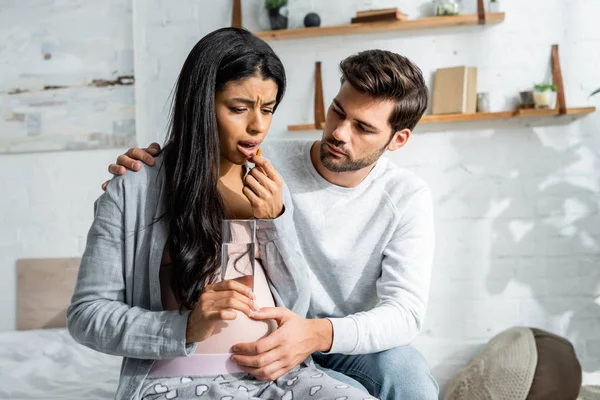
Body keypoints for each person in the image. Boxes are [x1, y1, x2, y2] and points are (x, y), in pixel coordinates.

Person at [105, 49, 438, 399]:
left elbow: (404, 313)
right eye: (338, 111)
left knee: (408, 374)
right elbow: (191, 167)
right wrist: (141, 173)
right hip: (267, 338)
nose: (339, 132)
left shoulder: (406, 196)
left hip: (343, 338)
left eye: (363, 128)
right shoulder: (258, 160)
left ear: (397, 139)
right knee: (351, 391)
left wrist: (316, 333)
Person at [67, 27, 375, 400]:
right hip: (178, 382)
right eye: (239, 108)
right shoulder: (135, 188)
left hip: (278, 377)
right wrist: (185, 327)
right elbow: (86, 315)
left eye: (267, 109)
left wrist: (274, 221)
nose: (257, 126)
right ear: (200, 103)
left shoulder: (269, 188)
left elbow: (296, 305)